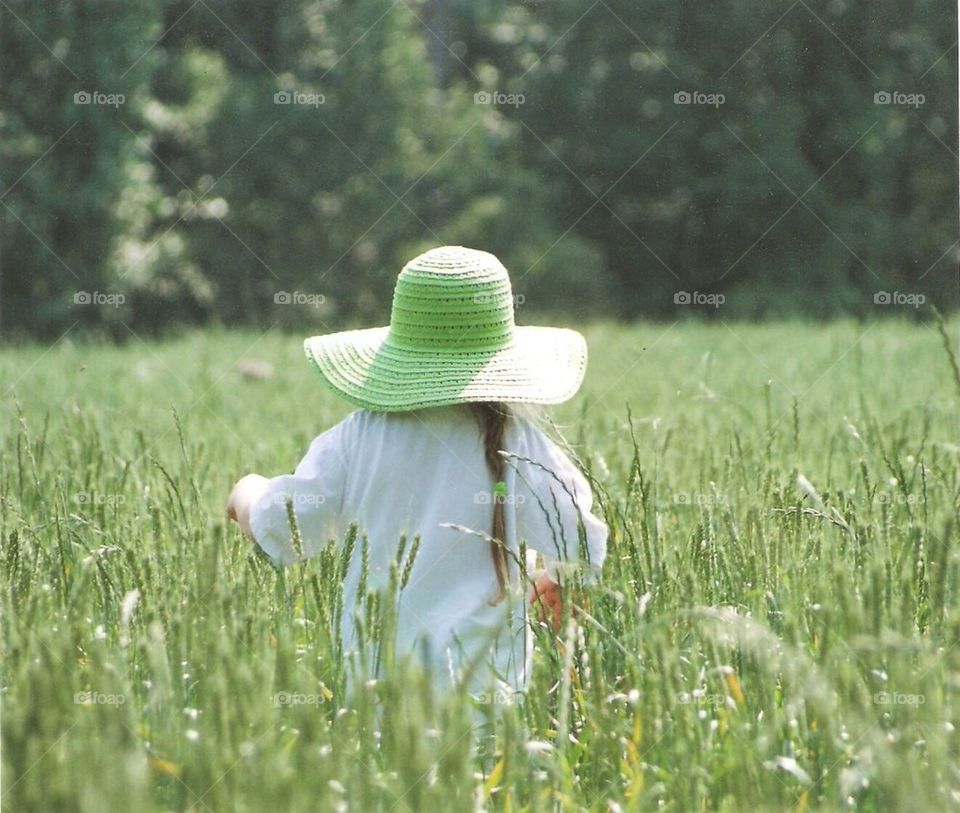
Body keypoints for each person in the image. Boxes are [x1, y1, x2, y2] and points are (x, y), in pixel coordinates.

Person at [227, 246, 607, 698]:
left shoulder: (357, 437)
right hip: (490, 708)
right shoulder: (520, 441)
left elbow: (283, 529)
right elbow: (581, 542)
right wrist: (558, 579)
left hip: (375, 700)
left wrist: (247, 493)